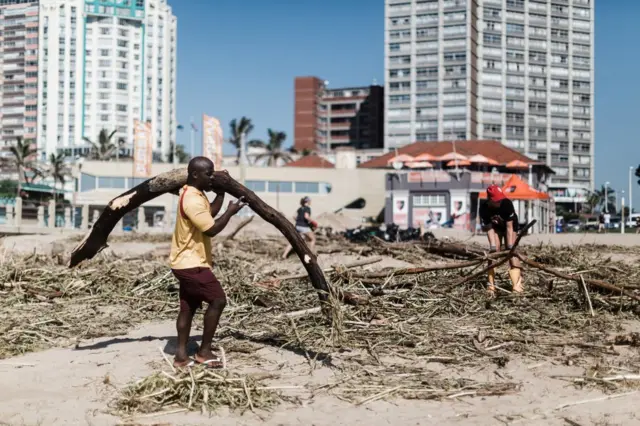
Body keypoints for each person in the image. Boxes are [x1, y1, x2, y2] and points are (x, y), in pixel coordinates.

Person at [170, 157, 247, 369]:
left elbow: (209, 214)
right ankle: (204, 351)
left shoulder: (193, 193)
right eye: (208, 173)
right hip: (192, 263)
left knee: (188, 308)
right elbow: (211, 228)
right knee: (218, 300)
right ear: (195, 174)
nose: (212, 177)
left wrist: (221, 194)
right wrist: (230, 213)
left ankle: (181, 356)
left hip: (183, 262)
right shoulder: (192, 200)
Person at [479, 184, 523, 295]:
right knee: (494, 252)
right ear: (490, 200)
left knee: (512, 252)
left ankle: (517, 285)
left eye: (500, 199)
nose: (499, 202)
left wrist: (509, 248)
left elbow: (509, 228)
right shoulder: (484, 208)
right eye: (496, 201)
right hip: (496, 228)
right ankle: (491, 285)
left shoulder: (507, 204)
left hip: (511, 227)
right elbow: (489, 230)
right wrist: (493, 248)